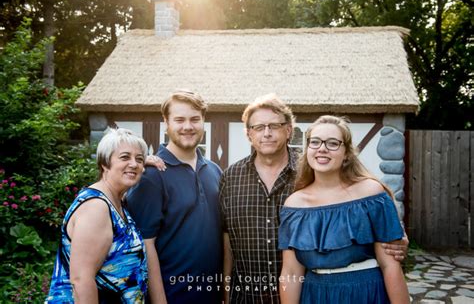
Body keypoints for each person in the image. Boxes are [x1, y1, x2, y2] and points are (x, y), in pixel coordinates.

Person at [220, 94, 409, 304]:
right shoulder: (234, 179)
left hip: (360, 292)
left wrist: (397, 237)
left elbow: (390, 259)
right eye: (259, 127)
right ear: (248, 133)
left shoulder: (366, 191)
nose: (267, 133)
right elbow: (228, 237)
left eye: (274, 125)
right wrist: (226, 290)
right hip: (265, 295)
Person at [279, 115, 410, 304]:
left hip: (366, 293)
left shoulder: (371, 194)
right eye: (315, 142)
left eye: (333, 143)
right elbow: (291, 272)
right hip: (315, 296)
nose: (322, 148)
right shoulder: (294, 205)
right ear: (307, 149)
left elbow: (390, 265)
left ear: (347, 153)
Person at [127, 90, 223, 304]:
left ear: (203, 122)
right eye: (179, 120)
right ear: (166, 123)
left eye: (194, 119)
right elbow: (145, 245)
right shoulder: (151, 176)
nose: (187, 126)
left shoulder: (215, 171)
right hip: (173, 297)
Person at [46, 128, 149, 303]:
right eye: (125, 157)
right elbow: (81, 280)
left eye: (139, 159)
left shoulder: (116, 202)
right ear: (105, 163)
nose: (134, 164)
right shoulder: (96, 207)